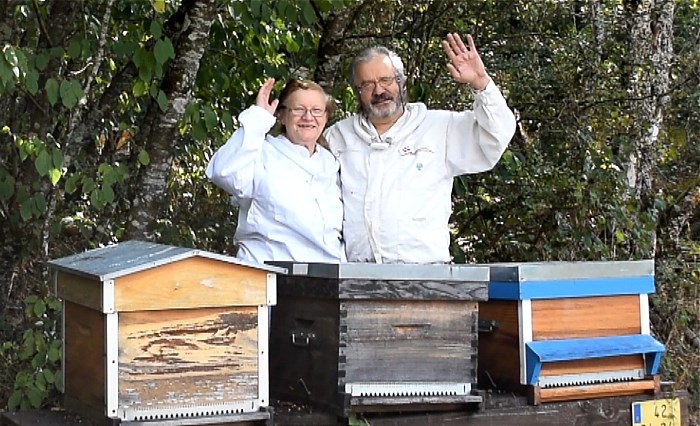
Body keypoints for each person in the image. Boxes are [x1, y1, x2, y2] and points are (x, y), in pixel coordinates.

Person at [324, 33, 516, 264]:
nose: (379, 91)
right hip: (357, 276)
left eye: (386, 80)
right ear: (356, 92)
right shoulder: (337, 137)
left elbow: (497, 137)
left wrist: (480, 83)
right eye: (367, 84)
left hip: (426, 275)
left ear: (401, 82)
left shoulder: (438, 127)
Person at [206, 78, 346, 264]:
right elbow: (223, 172)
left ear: (326, 117)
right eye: (298, 109)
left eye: (316, 110)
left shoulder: (331, 164)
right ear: (281, 116)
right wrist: (258, 118)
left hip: (325, 281)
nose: (308, 117)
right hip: (269, 276)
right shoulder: (261, 153)